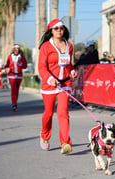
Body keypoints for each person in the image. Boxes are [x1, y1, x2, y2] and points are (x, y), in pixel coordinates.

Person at [38, 19, 77, 154]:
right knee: (48, 114)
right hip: (50, 85)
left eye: (61, 28)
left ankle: (65, 142)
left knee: (63, 112)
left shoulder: (69, 46)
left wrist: (72, 71)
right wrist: (49, 78)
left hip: (65, 84)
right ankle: (44, 136)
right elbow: (41, 67)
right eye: (56, 29)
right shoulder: (45, 47)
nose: (59, 30)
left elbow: (69, 64)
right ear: (51, 31)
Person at [4, 44, 27, 111]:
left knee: (16, 90)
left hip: (19, 76)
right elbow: (7, 64)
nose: (16, 50)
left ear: (19, 49)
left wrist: (21, 64)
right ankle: (14, 104)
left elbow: (25, 66)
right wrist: (4, 68)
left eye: (17, 48)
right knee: (13, 89)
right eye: (15, 48)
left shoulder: (22, 57)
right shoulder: (10, 56)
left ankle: (15, 103)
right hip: (12, 75)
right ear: (13, 49)